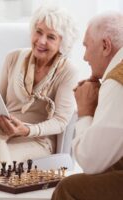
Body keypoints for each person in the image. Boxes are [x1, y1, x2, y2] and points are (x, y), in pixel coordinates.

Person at [0, 5, 79, 170]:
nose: (41, 41)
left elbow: (60, 122)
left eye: (51, 37)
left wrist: (26, 130)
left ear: (63, 43)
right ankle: (6, 190)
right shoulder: (13, 58)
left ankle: (0, 188)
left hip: (36, 141)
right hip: (1, 132)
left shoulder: (68, 71)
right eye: (38, 32)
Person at [52, 12, 123, 200]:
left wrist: (85, 111)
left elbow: (91, 162)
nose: (84, 57)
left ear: (106, 46)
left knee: (69, 187)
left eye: (86, 46)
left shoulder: (117, 80)